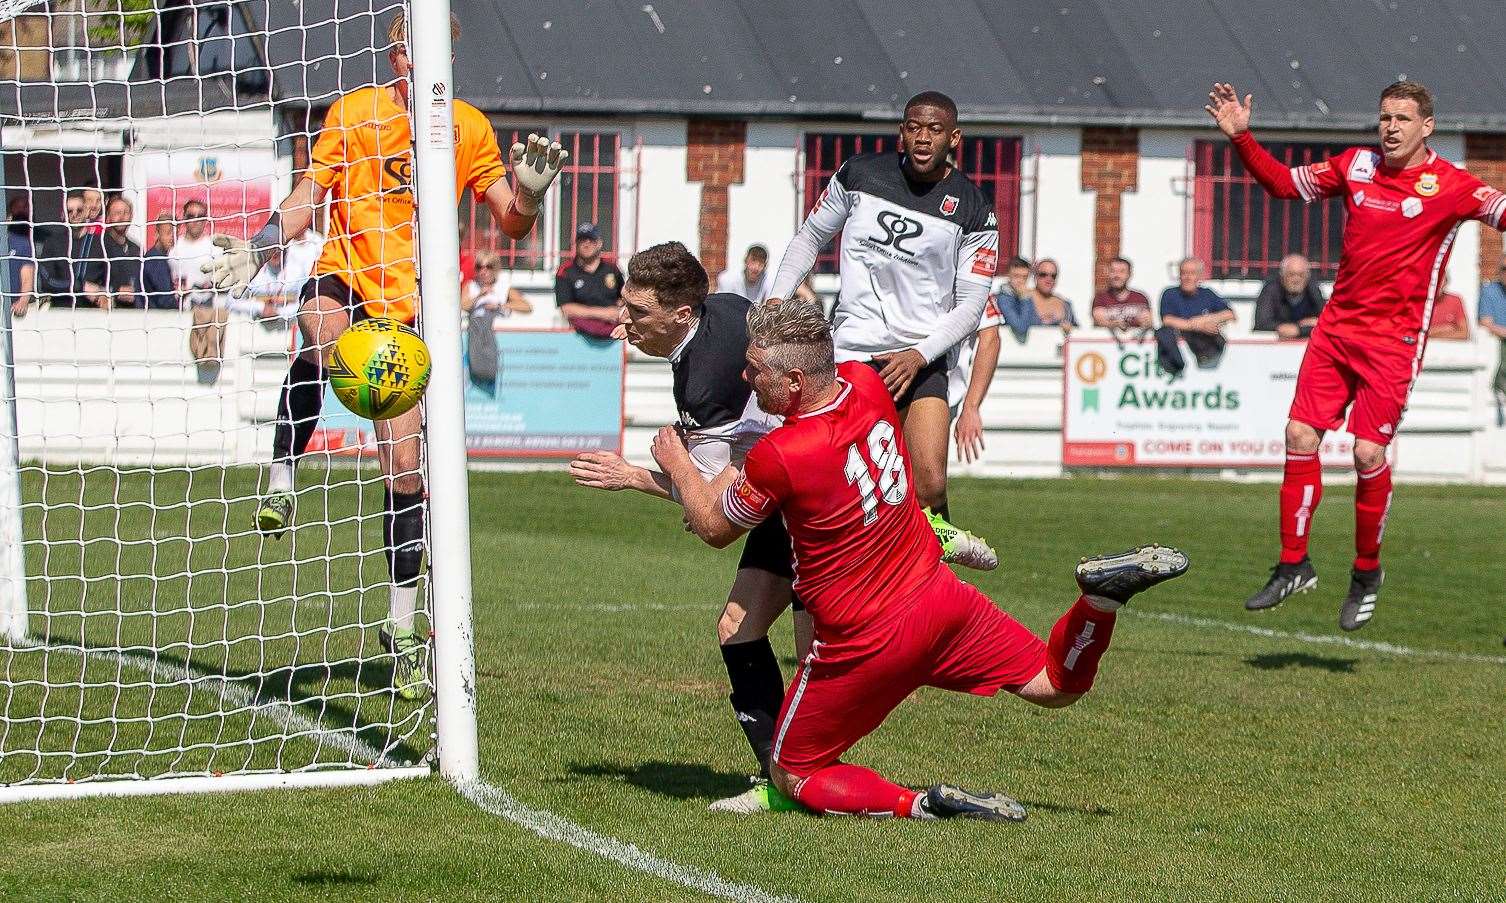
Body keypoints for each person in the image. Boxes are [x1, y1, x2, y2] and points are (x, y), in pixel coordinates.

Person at [652, 298, 1188, 821]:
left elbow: (716, 528)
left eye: (754, 371)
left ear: (794, 381)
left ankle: (918, 804)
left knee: (794, 772)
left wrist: (676, 462)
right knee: (1055, 685)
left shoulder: (782, 454)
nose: (746, 380)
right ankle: (1098, 602)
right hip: (940, 597)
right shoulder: (864, 384)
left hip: (866, 639)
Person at [211, 11, 565, 700]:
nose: (424, 60)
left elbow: (511, 221)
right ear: (396, 52)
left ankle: (401, 629)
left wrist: (531, 193)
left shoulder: (466, 127)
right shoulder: (354, 112)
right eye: (412, 49)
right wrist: (257, 248)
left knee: (405, 467)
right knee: (319, 333)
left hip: (410, 310)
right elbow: (307, 199)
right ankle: (284, 476)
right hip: (344, 275)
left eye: (438, 51)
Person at [1208, 79, 1506, 630]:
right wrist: (1243, 138)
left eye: (1403, 118)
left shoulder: (1454, 185)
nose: (1391, 127)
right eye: (1385, 116)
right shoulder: (1356, 166)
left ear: (1427, 127)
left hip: (1393, 343)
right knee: (1299, 436)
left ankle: (1366, 571)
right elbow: (1281, 185)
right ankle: (1293, 563)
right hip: (1336, 330)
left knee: (1368, 453)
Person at [570, 241, 810, 815]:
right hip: (782, 492)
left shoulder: (702, 383)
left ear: (681, 314)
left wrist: (643, 474)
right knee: (738, 630)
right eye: (624, 305)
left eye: (638, 312)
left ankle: (814, 780)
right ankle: (782, 779)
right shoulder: (725, 308)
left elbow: (715, 520)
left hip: (816, 503)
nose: (623, 320)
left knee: (815, 656)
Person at [768, 90, 998, 571]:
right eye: (915, 126)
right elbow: (810, 237)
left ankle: (928, 580)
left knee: (930, 481)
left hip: (920, 355)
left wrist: (919, 354)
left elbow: (973, 305)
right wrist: (777, 297)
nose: (923, 137)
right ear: (902, 131)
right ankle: (834, 574)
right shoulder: (859, 174)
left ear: (953, 138)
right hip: (852, 348)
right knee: (842, 480)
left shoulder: (976, 209)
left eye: (935, 130)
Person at [169, 199, 228, 379]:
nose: (195, 220)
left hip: (211, 310)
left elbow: (223, 281)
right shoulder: (175, 251)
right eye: (191, 216)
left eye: (200, 216)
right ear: (184, 219)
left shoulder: (214, 248)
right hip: (186, 313)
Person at [1157, 258, 1234, 373]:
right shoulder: (1170, 294)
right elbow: (1167, 320)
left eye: (1192, 273)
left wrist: (1206, 320)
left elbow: (1229, 314)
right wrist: (1196, 325)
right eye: (1184, 273)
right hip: (1180, 351)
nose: (1187, 277)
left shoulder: (1207, 294)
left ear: (1199, 276)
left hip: (1209, 355)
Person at [949, 295, 1001, 464]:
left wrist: (971, 407)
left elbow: (990, 338)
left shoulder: (972, 282)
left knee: (927, 481)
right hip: (883, 381)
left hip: (941, 393)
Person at [38, 191, 107, 308]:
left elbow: (112, 278)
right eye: (70, 211)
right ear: (62, 215)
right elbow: (47, 281)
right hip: (61, 311)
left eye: (79, 210)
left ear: (86, 212)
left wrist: (104, 294)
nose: (74, 214)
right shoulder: (52, 242)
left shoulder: (101, 242)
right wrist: (81, 286)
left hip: (94, 313)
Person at [555, 223, 623, 338]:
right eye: (582, 240)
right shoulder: (566, 271)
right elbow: (567, 309)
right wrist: (605, 314)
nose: (587, 244)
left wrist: (619, 311)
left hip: (612, 333)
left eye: (591, 240)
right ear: (576, 244)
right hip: (578, 334)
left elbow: (623, 298)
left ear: (599, 243)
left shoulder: (612, 269)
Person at [1252, 254, 1325, 338]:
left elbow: (1326, 322)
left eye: (1301, 275)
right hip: (1276, 344)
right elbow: (1261, 323)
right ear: (1282, 276)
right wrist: (1289, 327)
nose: (1296, 279)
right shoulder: (1271, 290)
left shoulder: (1313, 290)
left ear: (1307, 277)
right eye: (1291, 274)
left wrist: (1299, 330)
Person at [461, 249, 532, 320]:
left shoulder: (503, 287)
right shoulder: (471, 285)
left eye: (488, 267)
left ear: (495, 268)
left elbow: (527, 307)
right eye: (479, 267)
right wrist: (479, 296)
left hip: (498, 328)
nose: (483, 271)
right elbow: (462, 306)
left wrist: (499, 306)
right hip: (475, 329)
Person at [1091, 256, 1154, 334]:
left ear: (1129, 274)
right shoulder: (1100, 299)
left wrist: (1146, 322)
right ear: (1108, 274)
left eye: (1122, 271)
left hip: (1137, 343)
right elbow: (1099, 320)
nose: (1117, 275)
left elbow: (1148, 320)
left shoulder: (1140, 298)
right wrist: (1114, 324)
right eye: (1113, 271)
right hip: (1109, 344)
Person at [100, 196, 142, 308]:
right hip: (107, 310)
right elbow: (91, 280)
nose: (122, 217)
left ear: (131, 216)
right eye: (117, 212)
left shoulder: (136, 249)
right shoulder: (99, 245)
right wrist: (116, 290)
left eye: (125, 212)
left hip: (133, 311)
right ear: (108, 217)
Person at [1479, 256, 1506, 426]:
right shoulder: (1490, 291)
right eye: (1504, 269)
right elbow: (1485, 323)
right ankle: (1499, 389)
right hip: (1497, 342)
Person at [4, 195, 35, 318]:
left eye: (25, 207)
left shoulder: (22, 243)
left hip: (10, 306)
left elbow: (27, 275)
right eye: (17, 208)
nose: (21, 211)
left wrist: (23, 300)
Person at [140, 219, 179, 310]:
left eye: (175, 233)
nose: (172, 237)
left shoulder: (157, 257)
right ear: (157, 234)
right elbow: (165, 300)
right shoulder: (156, 260)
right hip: (156, 316)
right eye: (168, 233)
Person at [993, 255, 1033, 343]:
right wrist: (1025, 298)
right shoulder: (1004, 299)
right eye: (1016, 276)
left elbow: (1034, 320)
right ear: (1008, 275)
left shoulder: (1024, 296)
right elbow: (1021, 327)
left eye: (1024, 277)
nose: (1020, 281)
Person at [1427, 273, 1469, 341]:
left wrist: (1432, 333)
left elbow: (1464, 333)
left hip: (1449, 349)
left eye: (1441, 281)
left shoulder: (1455, 301)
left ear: (1446, 283)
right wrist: (1444, 328)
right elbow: (1414, 334)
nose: (1437, 285)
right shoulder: (1418, 302)